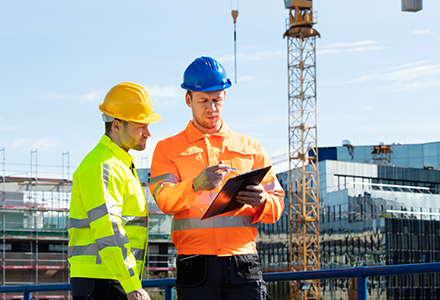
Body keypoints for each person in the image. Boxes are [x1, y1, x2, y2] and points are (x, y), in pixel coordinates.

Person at [149, 56, 285, 299]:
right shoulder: (167, 149)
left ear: (225, 97)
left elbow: (277, 207)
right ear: (188, 99)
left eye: (217, 99)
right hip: (195, 262)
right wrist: (195, 186)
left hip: (242, 260)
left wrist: (262, 200)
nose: (211, 108)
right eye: (203, 100)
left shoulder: (251, 147)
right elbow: (163, 200)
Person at [68, 82, 161, 300]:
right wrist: (132, 286)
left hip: (110, 278)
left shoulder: (118, 164)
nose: (148, 132)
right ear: (117, 126)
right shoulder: (103, 165)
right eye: (141, 125)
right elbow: (108, 229)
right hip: (103, 281)